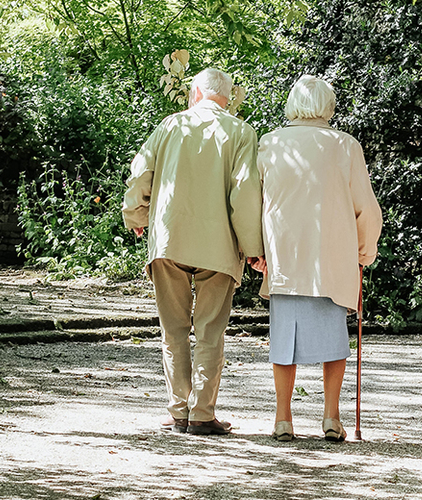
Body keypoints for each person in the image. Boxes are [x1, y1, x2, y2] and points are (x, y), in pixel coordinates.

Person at [122, 68, 265, 435]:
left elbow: (141, 175)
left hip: (170, 240)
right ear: (228, 97)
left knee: (173, 330)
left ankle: (178, 411)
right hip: (218, 245)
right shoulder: (241, 132)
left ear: (195, 92)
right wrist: (253, 248)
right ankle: (202, 414)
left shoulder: (169, 126)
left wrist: (136, 214)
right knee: (210, 331)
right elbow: (245, 193)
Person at [257, 75, 382, 442]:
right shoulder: (344, 146)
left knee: (283, 340)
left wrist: (255, 251)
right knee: (333, 340)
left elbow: (255, 202)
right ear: (328, 106)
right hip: (332, 257)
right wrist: (365, 250)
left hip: (285, 256)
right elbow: (366, 208)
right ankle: (331, 417)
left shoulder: (271, 143)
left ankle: (283, 418)